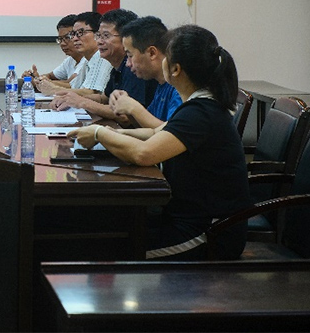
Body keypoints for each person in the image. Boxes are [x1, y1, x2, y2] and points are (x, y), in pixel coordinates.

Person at [66, 24, 251, 260]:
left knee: (111, 247)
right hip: (184, 218)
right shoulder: (198, 107)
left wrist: (99, 135)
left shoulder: (201, 112)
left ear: (175, 69)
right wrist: (110, 133)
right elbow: (157, 133)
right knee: (108, 231)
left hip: (207, 234)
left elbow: (144, 153)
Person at [50, 8, 157, 124]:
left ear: (126, 39)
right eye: (98, 36)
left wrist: (83, 102)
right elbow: (103, 98)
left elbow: (126, 116)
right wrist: (69, 99)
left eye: (106, 36)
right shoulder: (117, 65)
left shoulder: (134, 67)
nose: (99, 42)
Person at [109, 16, 182, 128]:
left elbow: (171, 134)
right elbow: (148, 127)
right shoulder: (161, 85)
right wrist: (126, 106)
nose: (128, 64)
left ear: (152, 53)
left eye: (130, 56)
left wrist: (134, 107)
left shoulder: (179, 87)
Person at [36, 12, 112, 96]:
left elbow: (93, 93)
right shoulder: (88, 60)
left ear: (98, 34)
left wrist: (54, 89)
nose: (75, 39)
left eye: (81, 33)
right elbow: (74, 86)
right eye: (73, 34)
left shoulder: (102, 57)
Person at [22, 14, 85, 87]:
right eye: (60, 39)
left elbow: (71, 84)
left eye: (67, 37)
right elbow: (50, 75)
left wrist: (39, 81)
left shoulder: (86, 60)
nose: (62, 43)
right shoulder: (70, 60)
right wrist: (36, 77)